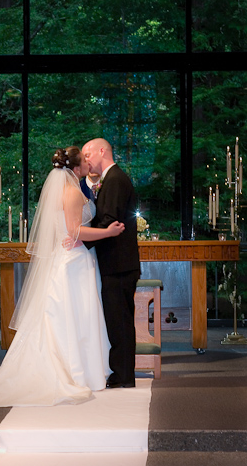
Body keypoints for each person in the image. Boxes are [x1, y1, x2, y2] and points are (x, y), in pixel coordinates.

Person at [0, 146, 125, 407]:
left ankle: (82, 369)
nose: (87, 165)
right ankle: (75, 371)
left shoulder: (70, 189)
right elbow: (74, 231)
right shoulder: (71, 192)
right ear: (76, 167)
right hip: (73, 262)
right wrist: (109, 232)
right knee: (73, 315)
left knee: (76, 315)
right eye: (83, 162)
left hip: (75, 259)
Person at [82, 138, 140, 389]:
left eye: (87, 154)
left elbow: (108, 221)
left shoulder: (115, 179)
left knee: (120, 322)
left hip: (118, 264)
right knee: (118, 320)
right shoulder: (112, 178)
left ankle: (123, 376)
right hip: (117, 263)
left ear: (102, 151)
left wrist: (79, 237)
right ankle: (122, 373)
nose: (85, 160)